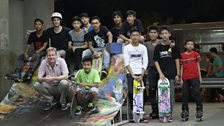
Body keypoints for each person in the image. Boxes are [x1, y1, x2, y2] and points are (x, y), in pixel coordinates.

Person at [153, 26, 180, 122]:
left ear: (169, 34)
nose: (164, 35)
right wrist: (160, 73)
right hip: (161, 76)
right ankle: (162, 114)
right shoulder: (158, 47)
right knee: (161, 96)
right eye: (162, 34)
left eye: (166, 33)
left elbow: (177, 60)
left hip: (171, 74)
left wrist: (178, 74)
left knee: (171, 95)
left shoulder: (174, 47)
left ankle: (169, 115)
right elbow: (156, 61)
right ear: (160, 35)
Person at [124, 28, 148, 121]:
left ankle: (141, 113)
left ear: (139, 36)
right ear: (130, 37)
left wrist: (141, 74)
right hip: (130, 73)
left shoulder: (143, 47)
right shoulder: (127, 48)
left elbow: (145, 61)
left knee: (142, 94)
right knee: (131, 93)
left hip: (141, 73)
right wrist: (133, 75)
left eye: (137, 35)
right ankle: (132, 112)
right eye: (133, 35)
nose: (135, 37)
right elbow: (126, 62)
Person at [180, 40, 203, 120]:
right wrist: (181, 79)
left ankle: (199, 109)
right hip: (185, 78)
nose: (190, 46)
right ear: (185, 46)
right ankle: (185, 110)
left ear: (193, 46)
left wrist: (200, 77)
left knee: (197, 93)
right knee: (185, 94)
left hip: (195, 76)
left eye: (191, 44)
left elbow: (198, 65)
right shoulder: (182, 55)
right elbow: (181, 67)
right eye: (188, 44)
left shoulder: (196, 54)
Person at [144, 26, 160, 119]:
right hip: (151, 69)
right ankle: (154, 110)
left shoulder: (161, 43)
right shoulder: (146, 45)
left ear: (158, 34)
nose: (153, 34)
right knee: (152, 89)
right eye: (151, 32)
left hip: (161, 69)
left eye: (154, 32)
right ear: (148, 34)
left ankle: (163, 109)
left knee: (162, 90)